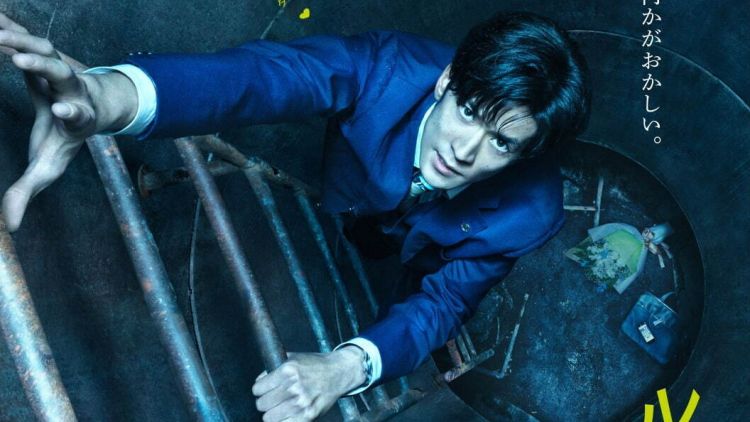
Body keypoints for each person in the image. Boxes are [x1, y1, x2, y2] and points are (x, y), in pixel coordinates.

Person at [0, 10, 590, 421]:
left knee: (404, 279)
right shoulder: (386, 68)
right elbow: (263, 78)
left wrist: (347, 367)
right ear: (445, 81)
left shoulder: (531, 213)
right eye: (468, 110)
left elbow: (446, 303)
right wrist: (108, 98)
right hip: (357, 198)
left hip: (430, 246)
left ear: (524, 156)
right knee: (366, 231)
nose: (464, 150)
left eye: (501, 143)